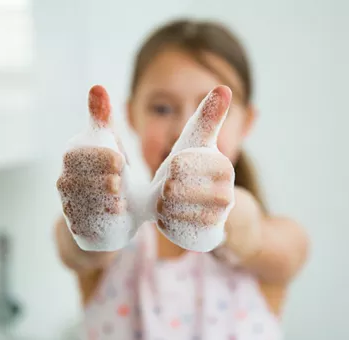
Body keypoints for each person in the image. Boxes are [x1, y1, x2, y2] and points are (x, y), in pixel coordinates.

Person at [54, 19, 309, 340]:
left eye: (210, 111)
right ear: (132, 116)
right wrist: (92, 216)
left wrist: (230, 218)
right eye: (162, 108)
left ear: (247, 124)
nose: (181, 132)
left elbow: (263, 240)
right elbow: (73, 248)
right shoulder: (113, 247)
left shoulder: (278, 241)